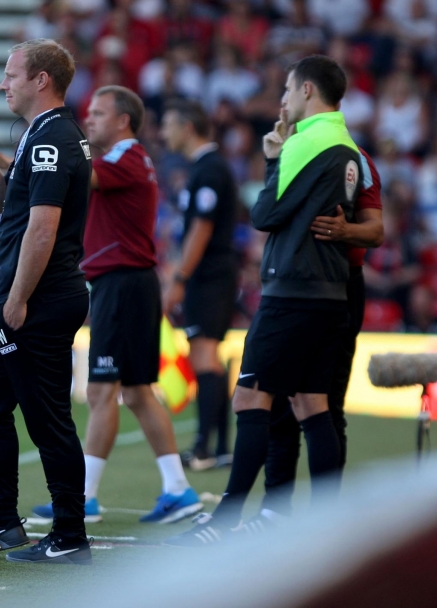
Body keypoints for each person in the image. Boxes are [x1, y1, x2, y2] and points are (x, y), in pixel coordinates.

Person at [166, 55, 361, 546]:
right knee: (311, 402)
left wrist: (275, 157)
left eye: (290, 91)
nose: (283, 101)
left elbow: (264, 212)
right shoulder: (348, 147)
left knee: (251, 395)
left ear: (310, 92)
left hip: (292, 290)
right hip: (330, 292)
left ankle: (228, 518)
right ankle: (327, 522)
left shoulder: (307, 142)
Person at [28, 86, 201, 527]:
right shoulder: (131, 158)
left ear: (123, 120)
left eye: (99, 114)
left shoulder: (122, 158)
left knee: (103, 390)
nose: (89, 120)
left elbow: (76, 176)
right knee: (138, 393)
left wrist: (42, 148)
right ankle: (178, 489)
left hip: (122, 284)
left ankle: (84, 497)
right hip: (132, 283)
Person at [0, 39, 92, 565]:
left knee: (48, 420)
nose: (2, 83)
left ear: (42, 80)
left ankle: (69, 534)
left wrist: (15, 300)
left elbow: (42, 230)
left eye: (11, 74)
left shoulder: (51, 140)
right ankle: (4, 521)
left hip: (37, 299)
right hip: (31, 297)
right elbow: (0, 202)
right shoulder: (43, 136)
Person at [259, 146, 383, 524]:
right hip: (293, 286)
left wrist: (347, 231)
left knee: (326, 404)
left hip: (340, 286)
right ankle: (276, 510)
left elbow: (376, 230)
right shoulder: (292, 151)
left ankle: (323, 517)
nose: (284, 105)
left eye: (290, 93)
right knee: (280, 404)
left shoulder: (353, 157)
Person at [161, 99, 240, 472]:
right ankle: (221, 446)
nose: (164, 133)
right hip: (214, 275)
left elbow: (201, 229)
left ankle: (204, 449)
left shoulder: (209, 169)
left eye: (169, 125)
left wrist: (179, 278)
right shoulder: (207, 167)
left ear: (187, 127)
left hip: (209, 277)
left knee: (204, 357)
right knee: (211, 358)